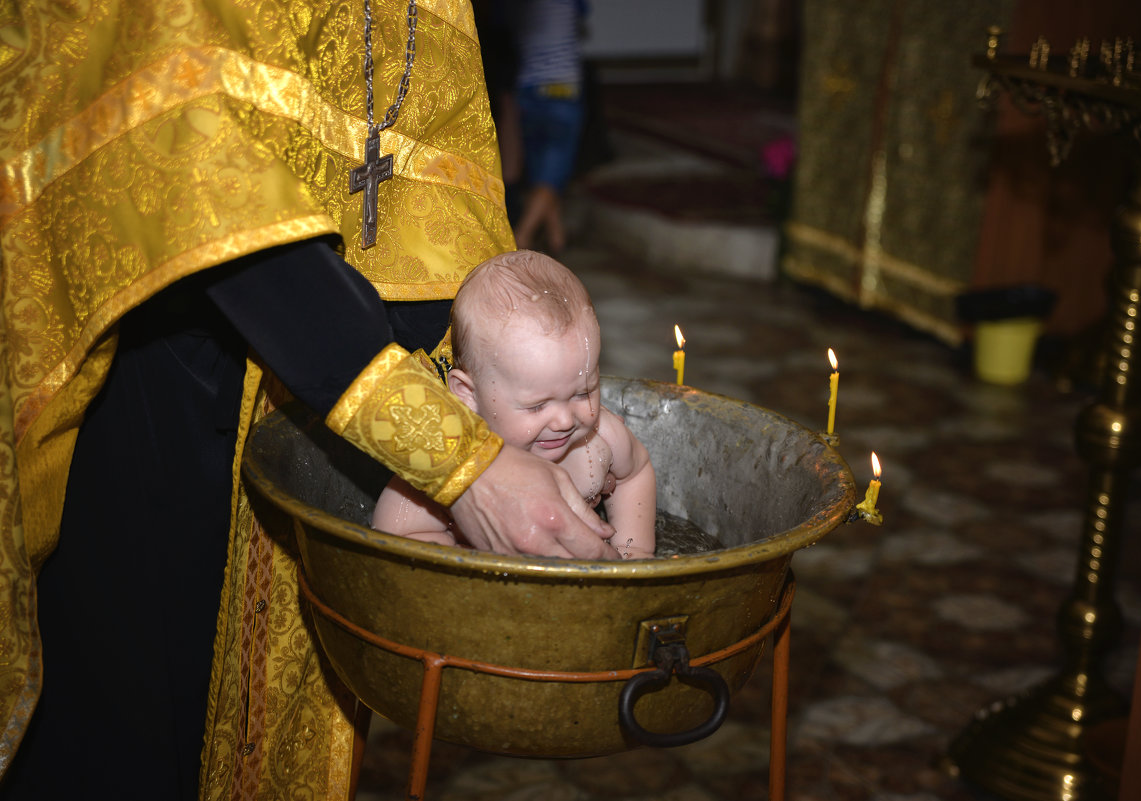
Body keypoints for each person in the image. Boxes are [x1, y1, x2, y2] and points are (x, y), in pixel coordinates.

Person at [0, 2, 618, 800]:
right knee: (138, 716)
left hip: (335, 379)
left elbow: (428, 179)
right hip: (161, 361)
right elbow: (187, 155)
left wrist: (512, 401)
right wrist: (459, 458)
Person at [372, 250, 657, 559]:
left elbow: (635, 472)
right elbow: (397, 534)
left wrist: (634, 550)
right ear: (467, 395)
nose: (564, 420)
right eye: (537, 406)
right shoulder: (442, 463)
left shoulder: (601, 440)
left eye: (583, 392)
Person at [507, 0, 589, 253]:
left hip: (528, 91)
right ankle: (523, 237)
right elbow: (583, 19)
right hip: (562, 91)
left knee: (541, 174)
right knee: (552, 174)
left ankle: (556, 238)